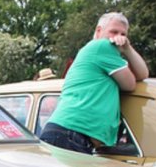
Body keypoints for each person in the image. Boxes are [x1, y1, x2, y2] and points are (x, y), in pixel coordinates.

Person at [39, 12, 149, 154]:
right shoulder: (102, 46)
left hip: (67, 134)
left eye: (123, 34)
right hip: (70, 134)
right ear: (98, 31)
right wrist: (127, 50)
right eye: (114, 32)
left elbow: (142, 74)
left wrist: (127, 48)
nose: (119, 38)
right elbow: (130, 84)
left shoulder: (99, 52)